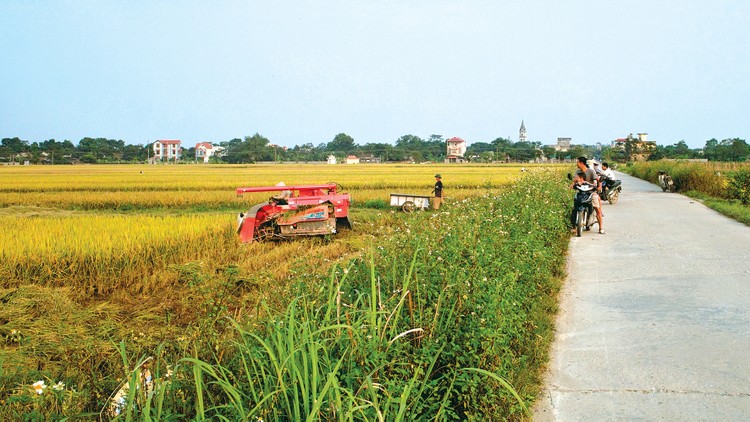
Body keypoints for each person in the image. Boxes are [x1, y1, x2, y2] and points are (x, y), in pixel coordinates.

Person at [575, 157, 604, 234]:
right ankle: (574, 226)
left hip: (591, 192)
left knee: (597, 208)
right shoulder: (578, 172)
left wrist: (598, 187)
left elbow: (597, 180)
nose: (576, 164)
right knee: (574, 207)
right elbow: (574, 181)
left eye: (577, 162)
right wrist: (572, 185)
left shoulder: (591, 171)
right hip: (581, 192)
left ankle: (601, 228)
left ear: (581, 163)